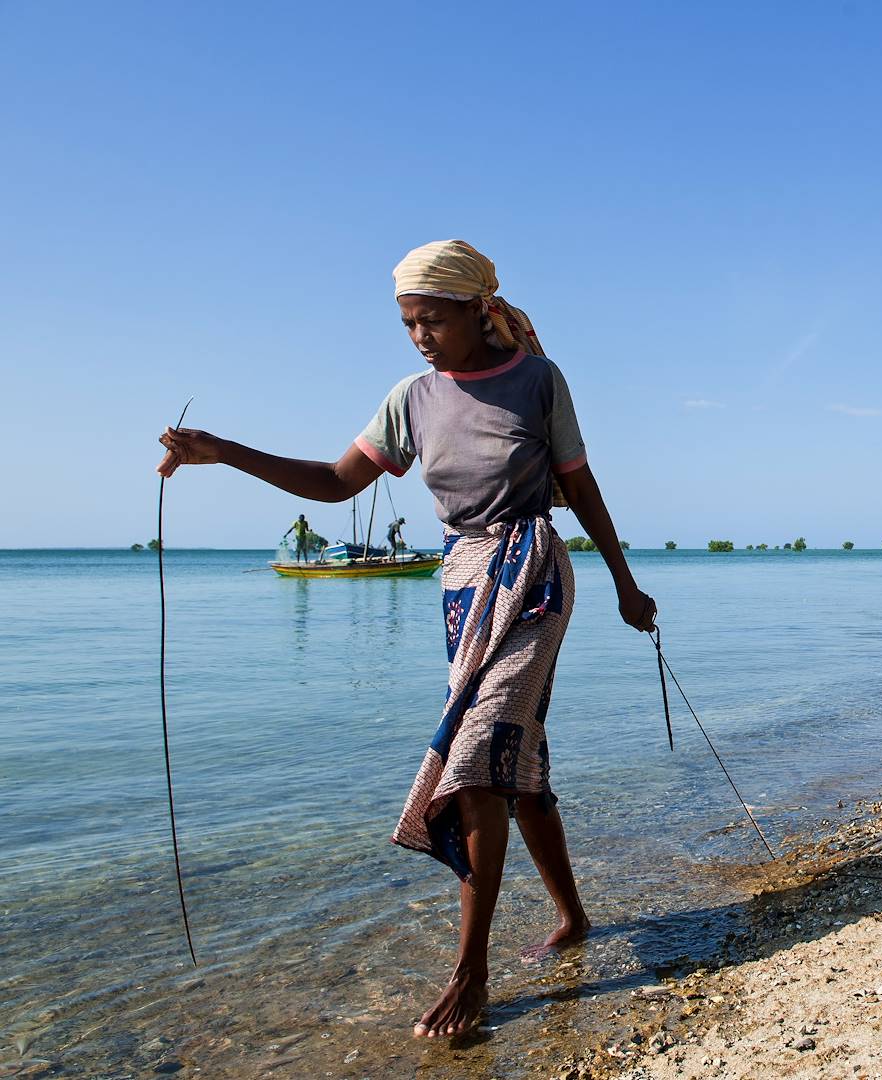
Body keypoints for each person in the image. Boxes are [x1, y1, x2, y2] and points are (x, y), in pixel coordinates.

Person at [157, 239, 656, 1040]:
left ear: (474, 309)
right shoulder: (412, 398)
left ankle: (470, 972)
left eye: (431, 320)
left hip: (532, 574)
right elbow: (333, 482)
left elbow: (579, 484)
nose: (420, 337)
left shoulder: (537, 379)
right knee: (514, 759)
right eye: (406, 325)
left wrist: (627, 582)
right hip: (463, 583)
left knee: (480, 758)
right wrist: (225, 453)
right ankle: (574, 917)